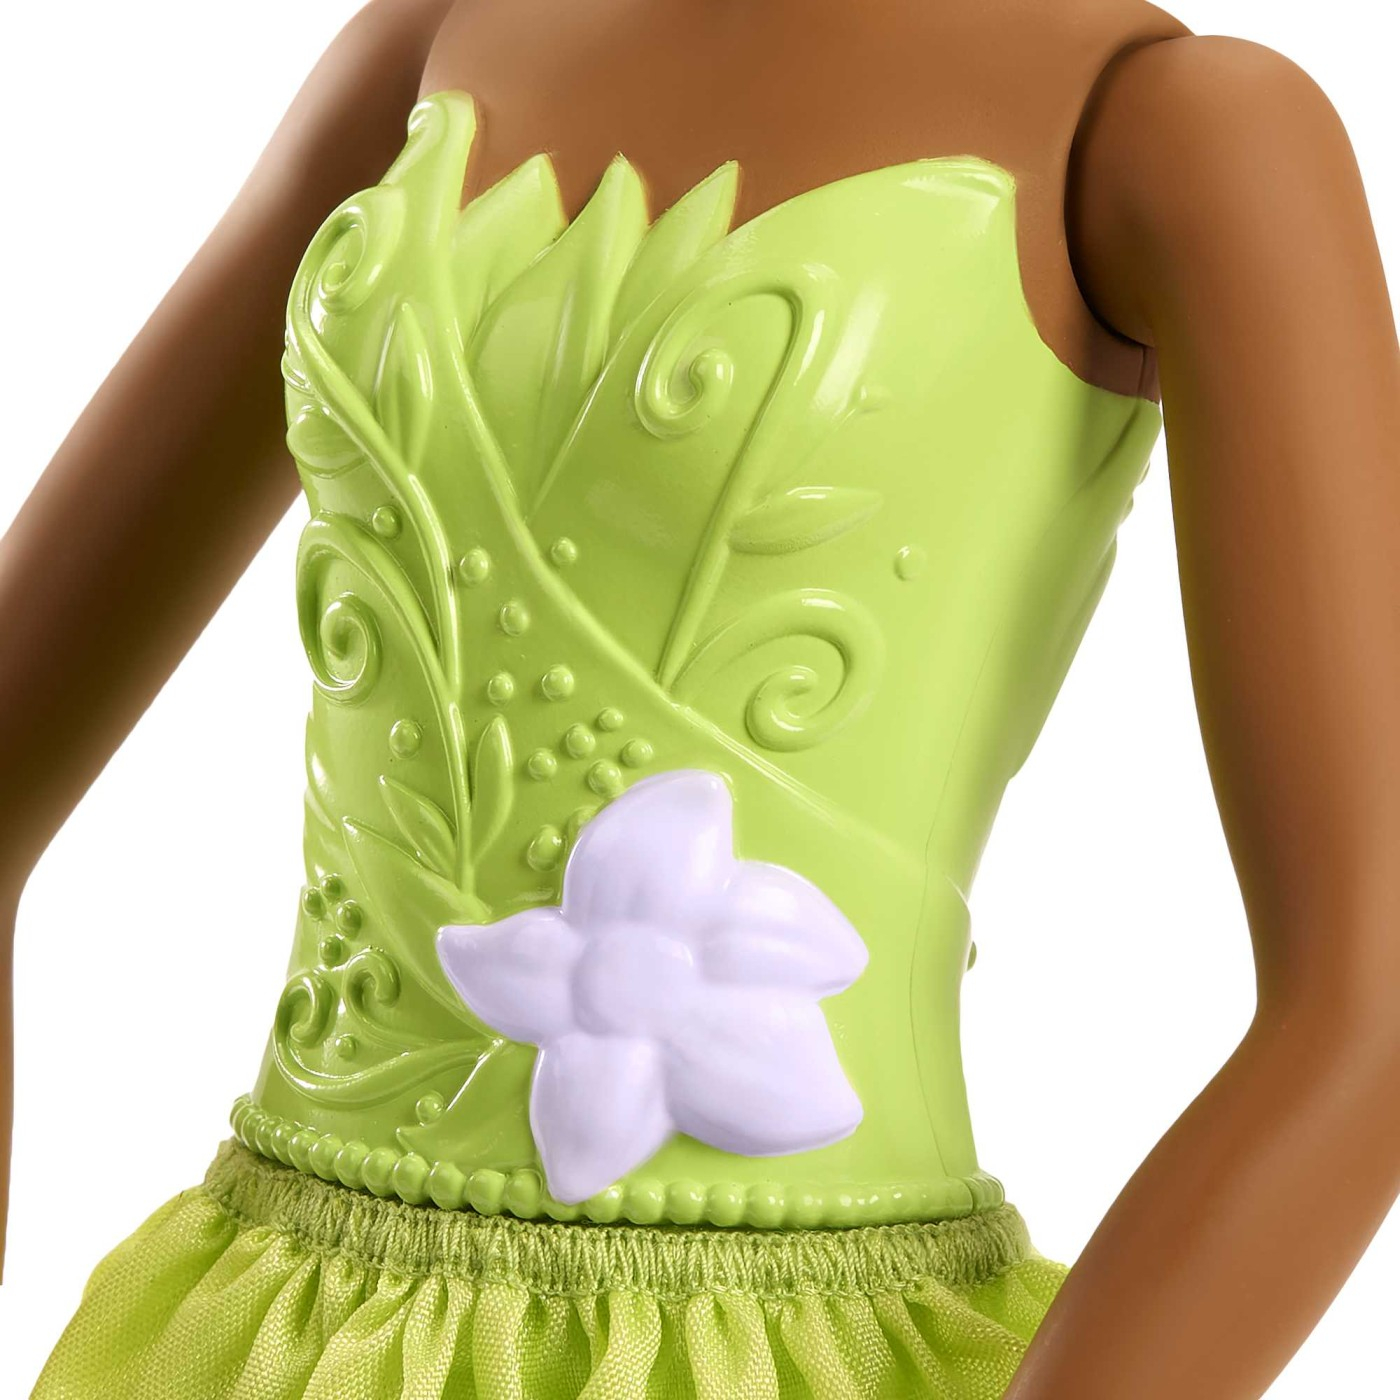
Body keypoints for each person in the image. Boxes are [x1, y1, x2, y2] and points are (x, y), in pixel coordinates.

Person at [2, 1, 1396, 1396]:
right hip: (280, 1341)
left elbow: (1365, 1013)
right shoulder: (426, 50)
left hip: (776, 1352)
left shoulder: (1175, 129)